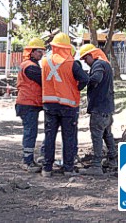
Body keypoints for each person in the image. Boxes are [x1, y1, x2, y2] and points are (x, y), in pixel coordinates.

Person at [40, 32, 88, 178]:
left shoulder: (44, 62)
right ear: (67, 47)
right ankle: (68, 169)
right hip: (68, 106)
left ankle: (47, 169)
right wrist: (75, 89)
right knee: (68, 137)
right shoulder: (72, 63)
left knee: (49, 137)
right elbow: (85, 79)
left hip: (49, 105)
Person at [78, 43, 117, 176]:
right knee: (107, 134)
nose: (85, 62)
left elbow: (96, 78)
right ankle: (113, 160)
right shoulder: (106, 64)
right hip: (107, 108)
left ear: (91, 55)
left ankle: (96, 165)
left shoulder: (98, 65)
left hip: (99, 108)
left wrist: (84, 79)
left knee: (97, 136)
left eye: (85, 59)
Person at [15, 37, 46, 173]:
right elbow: (44, 80)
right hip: (28, 103)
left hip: (28, 103)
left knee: (31, 132)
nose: (41, 54)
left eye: (42, 52)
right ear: (32, 52)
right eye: (39, 52)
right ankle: (27, 161)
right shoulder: (31, 67)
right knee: (30, 132)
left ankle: (28, 160)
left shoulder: (29, 64)